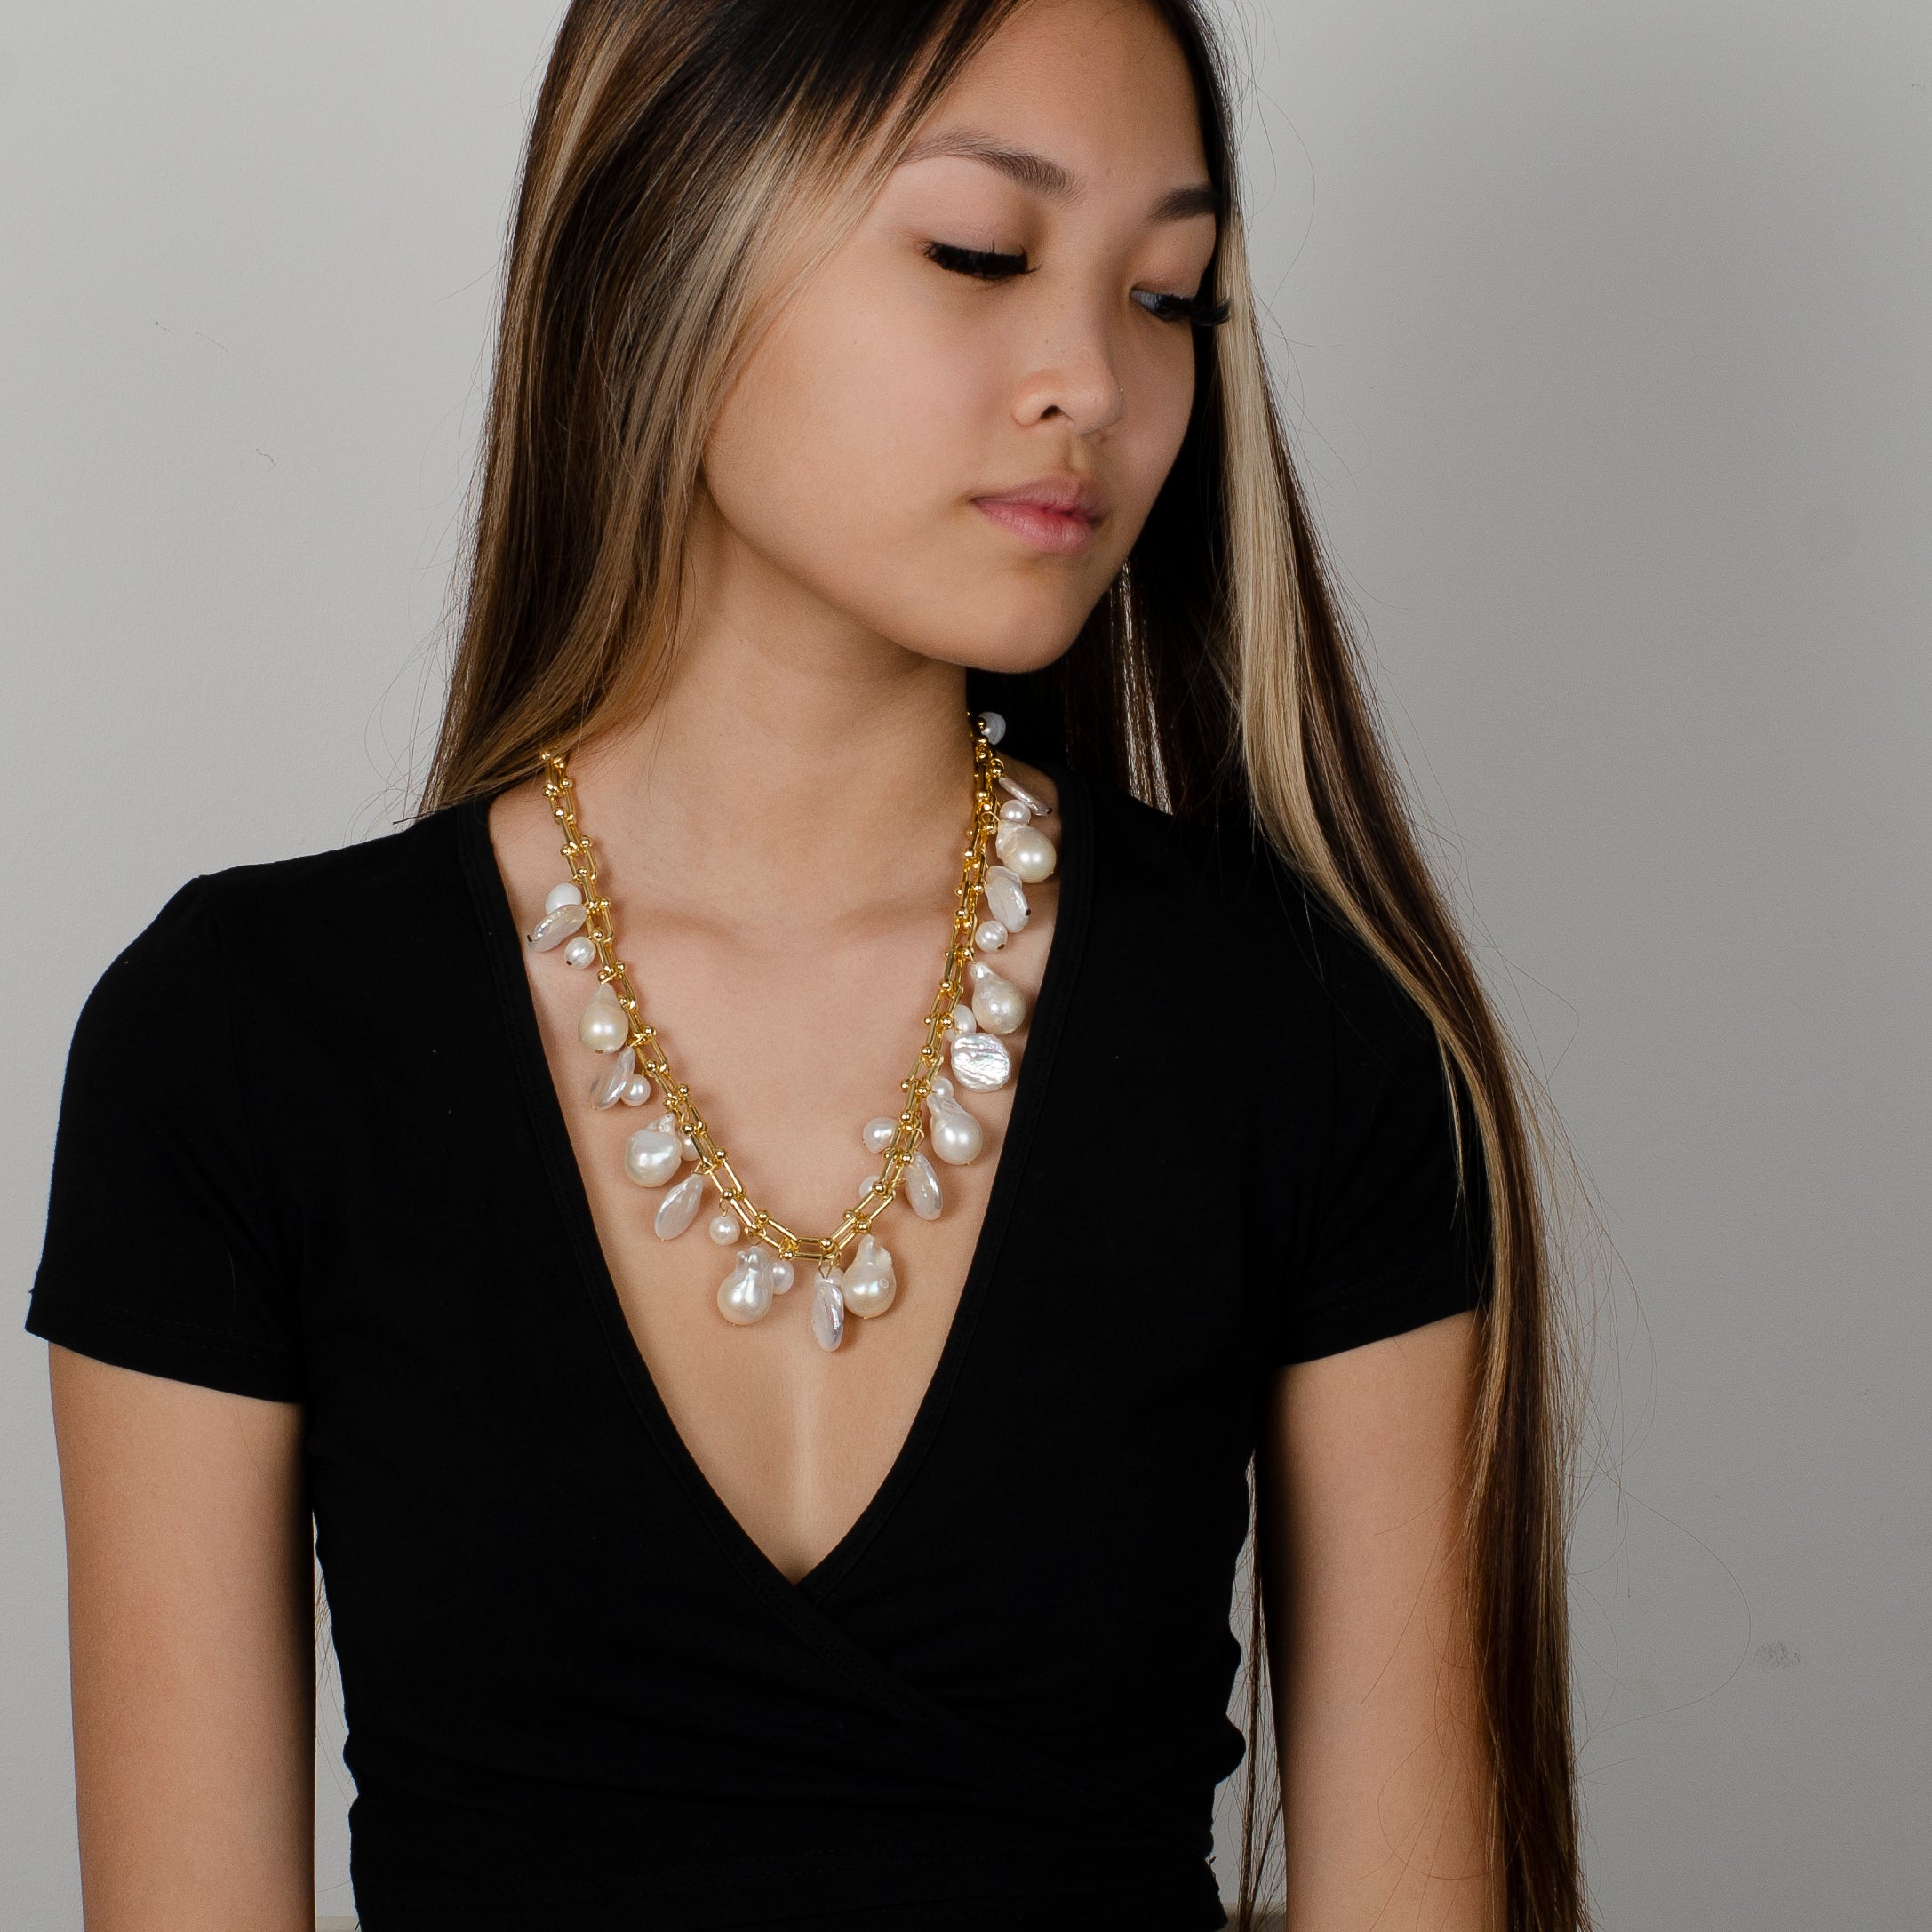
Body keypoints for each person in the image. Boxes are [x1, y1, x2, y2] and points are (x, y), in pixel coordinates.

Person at [26, 1, 1590, 1927]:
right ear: (661, 237)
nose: (1094, 382)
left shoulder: (1309, 1031)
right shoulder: (240, 1043)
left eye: (1167, 296)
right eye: (978, 252)